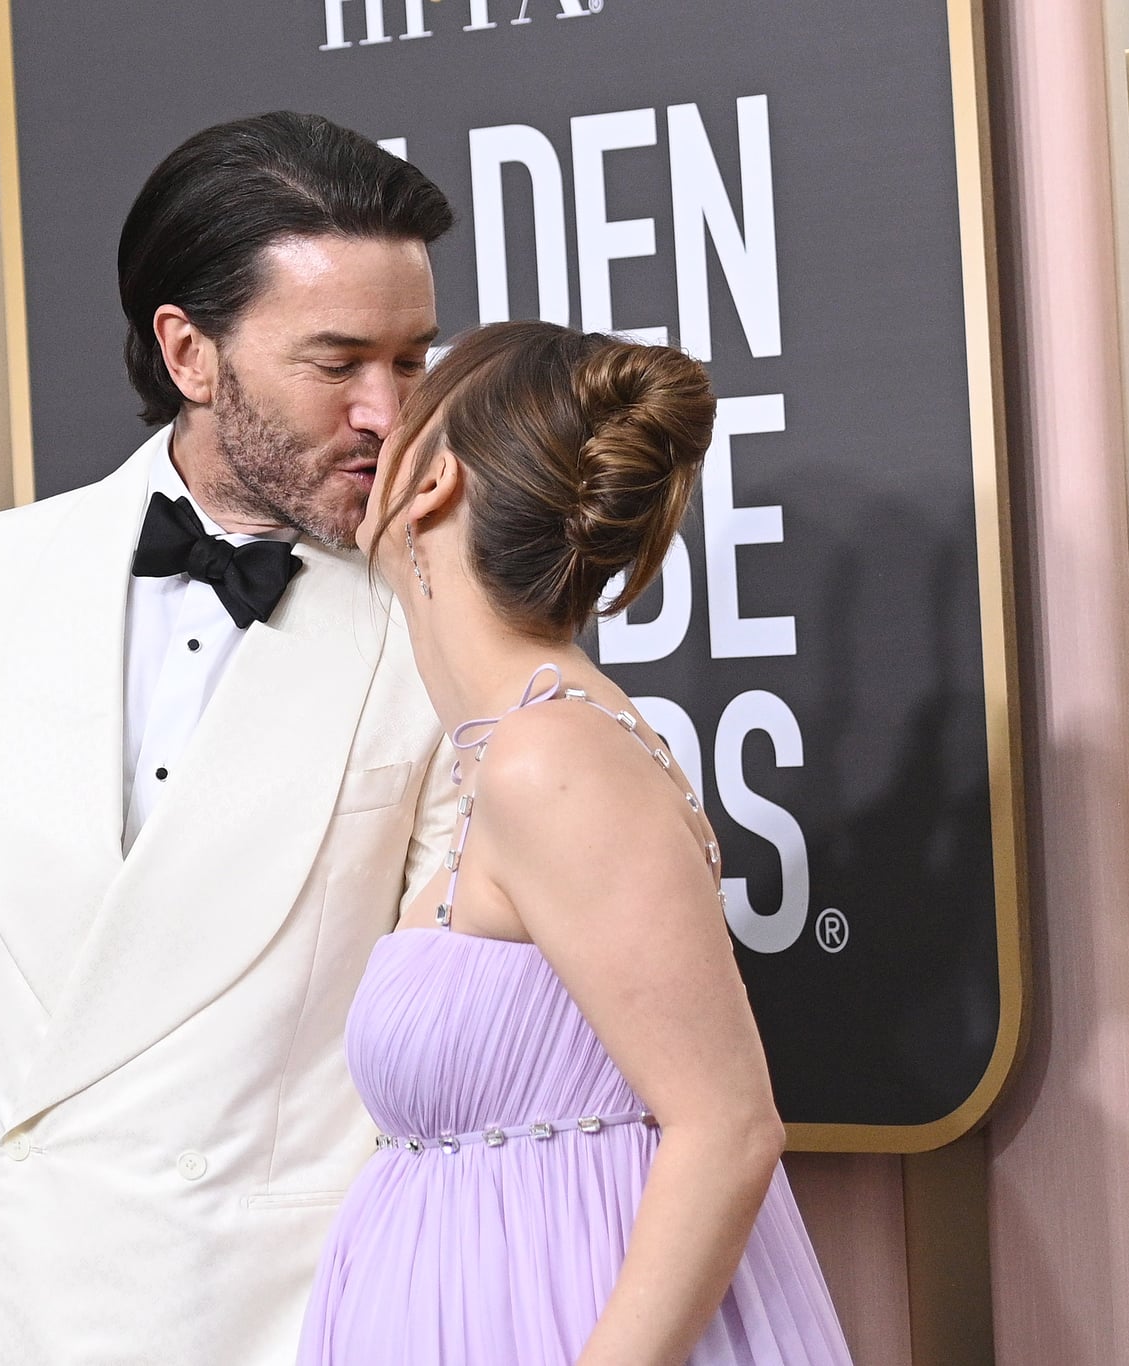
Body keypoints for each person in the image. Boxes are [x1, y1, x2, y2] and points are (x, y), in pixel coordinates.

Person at [0, 112, 459, 1364]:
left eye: (410, 358)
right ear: (190, 353)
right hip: (4, 1320)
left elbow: (438, 1063)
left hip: (283, 1322)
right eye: (338, 363)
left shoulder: (442, 622)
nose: (388, 413)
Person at [299, 321, 853, 1365]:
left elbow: (727, 1129)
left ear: (431, 488)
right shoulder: (512, 750)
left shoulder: (548, 758)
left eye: (407, 398)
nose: (372, 414)